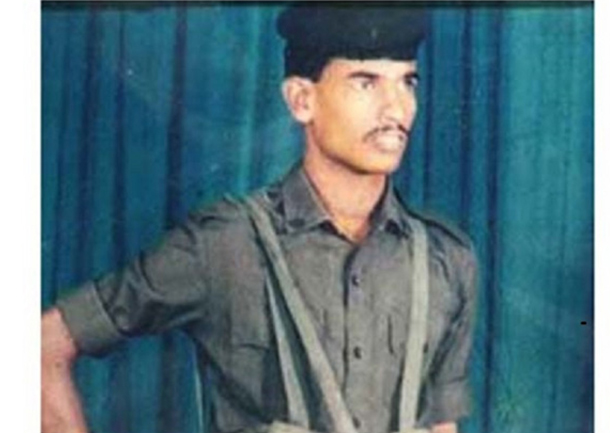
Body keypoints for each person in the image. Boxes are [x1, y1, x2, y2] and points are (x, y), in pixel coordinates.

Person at [41, 4, 477, 433]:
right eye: (366, 83)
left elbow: (441, 424)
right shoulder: (224, 244)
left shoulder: (444, 260)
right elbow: (39, 349)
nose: (395, 110)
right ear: (302, 100)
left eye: (407, 82)